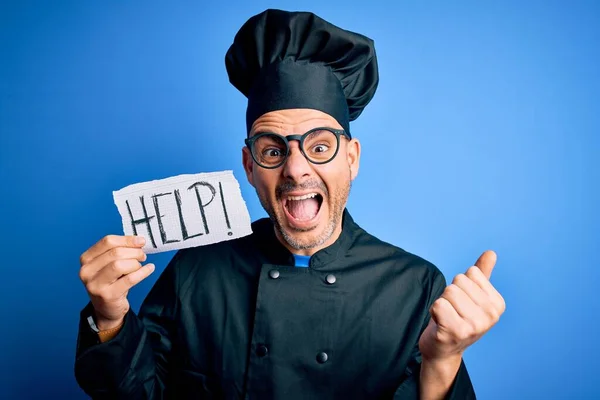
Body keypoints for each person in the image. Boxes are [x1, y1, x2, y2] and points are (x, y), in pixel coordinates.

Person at [75, 9, 505, 399]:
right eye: (273, 150)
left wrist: (442, 360)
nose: (296, 170)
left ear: (351, 158)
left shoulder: (415, 288)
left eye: (319, 147)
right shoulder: (195, 270)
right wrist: (110, 319)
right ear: (248, 164)